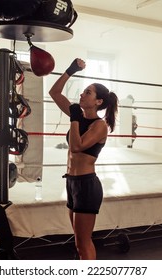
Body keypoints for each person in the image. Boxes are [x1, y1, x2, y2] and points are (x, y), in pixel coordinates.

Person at [49, 58, 118, 260]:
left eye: (88, 92)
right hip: (72, 182)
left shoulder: (99, 125)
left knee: (83, 242)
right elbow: (54, 93)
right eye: (83, 91)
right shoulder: (78, 116)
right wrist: (70, 71)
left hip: (87, 185)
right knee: (79, 242)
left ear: (98, 102)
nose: (82, 94)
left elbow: (77, 146)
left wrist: (73, 117)